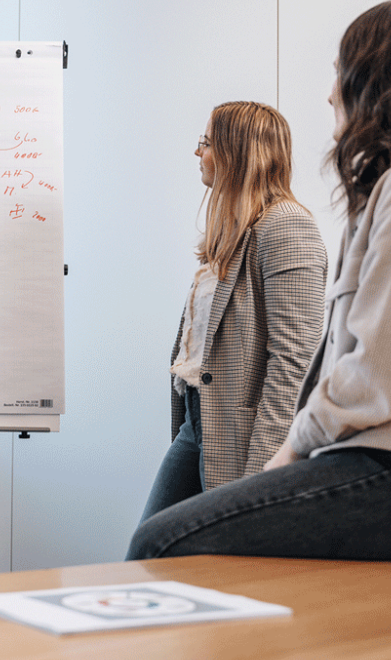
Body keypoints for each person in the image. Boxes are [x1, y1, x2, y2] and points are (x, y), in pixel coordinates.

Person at [127, 0, 391, 561]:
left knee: (162, 542)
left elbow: (379, 368)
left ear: (381, 81)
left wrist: (289, 451)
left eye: (340, 72)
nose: (331, 92)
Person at [136, 101, 327, 525]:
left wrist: (264, 473)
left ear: (236, 153)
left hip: (242, 437)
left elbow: (294, 364)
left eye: (205, 142)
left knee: (211, 565)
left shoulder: (287, 226)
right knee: (152, 553)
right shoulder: (231, 235)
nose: (197, 153)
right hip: (197, 424)